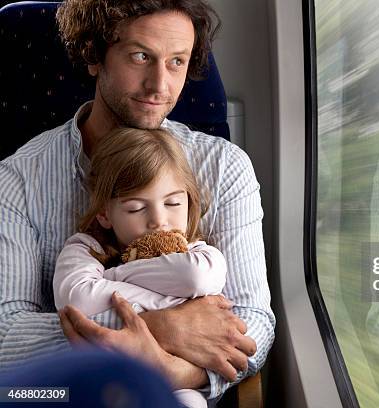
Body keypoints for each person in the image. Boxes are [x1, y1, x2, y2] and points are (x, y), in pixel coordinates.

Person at [0, 0, 275, 403]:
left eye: (177, 61)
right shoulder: (18, 178)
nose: (159, 85)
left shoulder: (223, 167)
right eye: (141, 56)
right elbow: (6, 335)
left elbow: (254, 324)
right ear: (94, 56)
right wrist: (163, 327)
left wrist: (171, 371)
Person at [54, 127, 229, 407]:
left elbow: (196, 277)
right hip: (101, 381)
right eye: (136, 208)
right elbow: (78, 300)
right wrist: (171, 309)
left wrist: (115, 276)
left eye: (173, 202)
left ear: (189, 200)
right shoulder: (85, 249)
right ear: (104, 213)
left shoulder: (195, 251)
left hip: (175, 384)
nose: (159, 221)